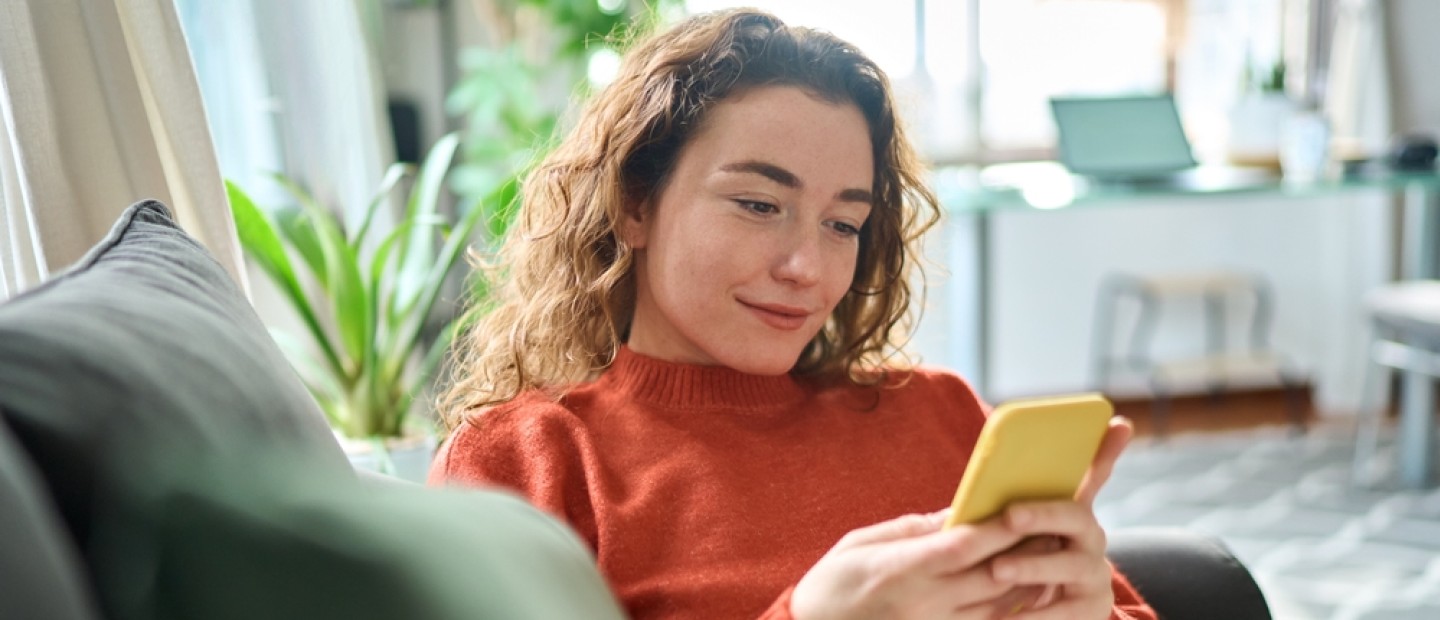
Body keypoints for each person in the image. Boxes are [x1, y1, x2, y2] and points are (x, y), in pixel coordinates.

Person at [430, 8, 1156, 620]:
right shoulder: (529, 460)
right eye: (758, 205)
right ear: (634, 204)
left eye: (843, 224)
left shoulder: (940, 414)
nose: (807, 267)